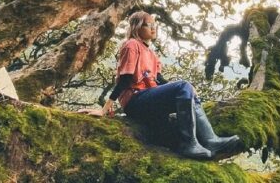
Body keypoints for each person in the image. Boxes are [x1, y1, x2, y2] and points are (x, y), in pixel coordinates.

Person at [81, 11, 240, 159]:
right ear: (136, 27)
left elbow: (160, 80)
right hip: (135, 101)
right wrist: (104, 109)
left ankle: (210, 140)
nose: (153, 28)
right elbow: (125, 78)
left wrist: (189, 89)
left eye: (154, 25)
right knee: (184, 86)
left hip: (149, 99)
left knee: (187, 89)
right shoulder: (131, 45)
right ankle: (189, 143)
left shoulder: (151, 54)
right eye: (147, 24)